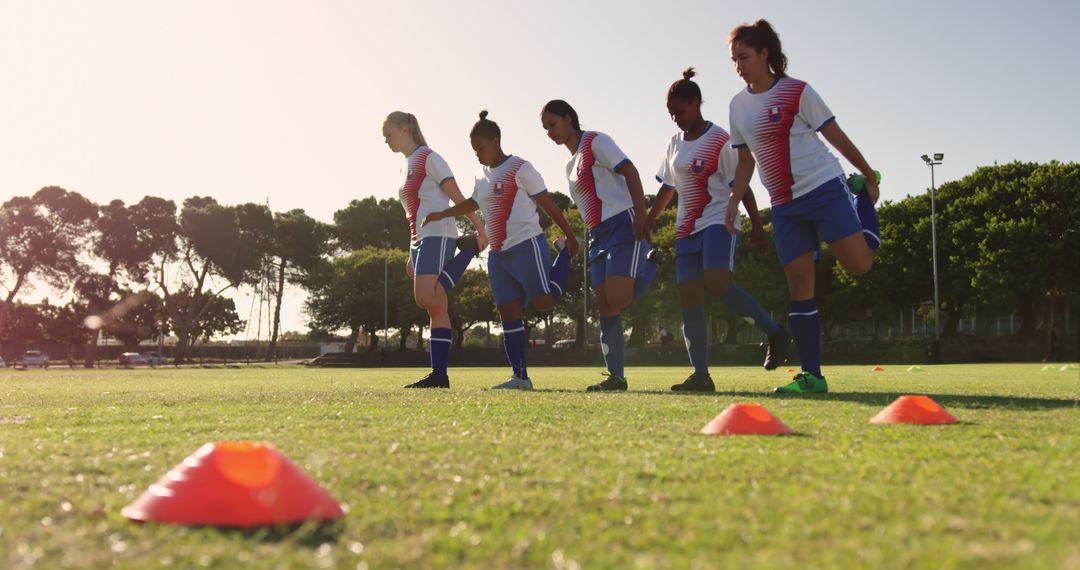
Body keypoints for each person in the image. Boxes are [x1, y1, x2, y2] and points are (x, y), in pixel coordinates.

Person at [725, 20, 881, 394]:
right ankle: (812, 376)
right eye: (733, 60)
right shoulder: (737, 106)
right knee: (799, 288)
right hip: (784, 206)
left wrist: (866, 174)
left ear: (765, 54)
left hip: (825, 187)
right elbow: (745, 160)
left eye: (744, 57)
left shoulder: (797, 91)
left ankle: (859, 198)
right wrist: (734, 200)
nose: (738, 65)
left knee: (859, 265)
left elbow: (835, 135)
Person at [647, 68, 791, 393]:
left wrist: (756, 226)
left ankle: (774, 332)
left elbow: (743, 184)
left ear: (696, 103)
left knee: (717, 284)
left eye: (680, 112)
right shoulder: (674, 144)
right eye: (671, 114)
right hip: (686, 228)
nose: (676, 119)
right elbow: (668, 188)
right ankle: (701, 374)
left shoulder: (720, 140)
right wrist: (649, 217)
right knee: (688, 295)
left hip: (718, 220)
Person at [423, 111, 578, 390]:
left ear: (495, 141)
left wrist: (569, 234)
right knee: (508, 311)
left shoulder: (521, 168)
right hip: (497, 254)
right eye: (474, 150)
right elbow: (473, 202)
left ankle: (563, 253)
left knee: (544, 303)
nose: (478, 154)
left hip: (526, 244)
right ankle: (520, 377)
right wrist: (441, 214)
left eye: (481, 148)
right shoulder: (481, 175)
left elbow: (547, 203)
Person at [540, 99, 659, 391]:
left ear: (569, 119)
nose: (549, 132)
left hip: (623, 222)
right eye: (545, 128)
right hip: (597, 234)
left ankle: (654, 262)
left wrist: (642, 216)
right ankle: (615, 377)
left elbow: (630, 171)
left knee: (617, 297)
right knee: (605, 305)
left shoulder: (595, 141)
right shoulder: (570, 163)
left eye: (553, 124)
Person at [382, 111, 488, 389]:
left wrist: (479, 228)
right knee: (437, 306)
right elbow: (413, 212)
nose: (386, 140)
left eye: (388, 133)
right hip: (420, 238)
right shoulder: (406, 165)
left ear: (405, 129)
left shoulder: (429, 157)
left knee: (425, 297)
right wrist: (410, 250)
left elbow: (457, 195)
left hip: (438, 234)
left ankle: (468, 250)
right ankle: (439, 375)